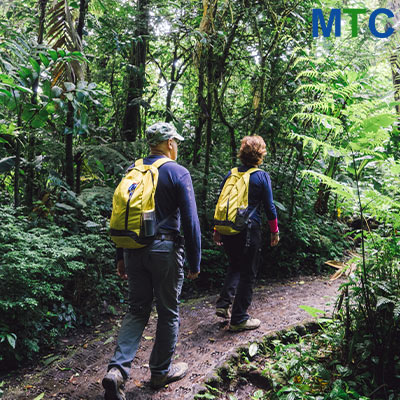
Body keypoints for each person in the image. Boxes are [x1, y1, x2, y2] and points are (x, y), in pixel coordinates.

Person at [102, 122, 201, 400]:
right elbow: (191, 221)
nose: (177, 146)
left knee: (136, 310)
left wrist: (120, 256)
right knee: (168, 311)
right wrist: (195, 260)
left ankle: (118, 371)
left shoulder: (133, 171)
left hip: (133, 250)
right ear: (169, 143)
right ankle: (159, 372)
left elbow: (121, 215)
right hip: (165, 251)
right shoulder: (177, 172)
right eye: (176, 142)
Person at [213, 135, 279, 332]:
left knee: (235, 265)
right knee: (248, 272)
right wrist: (274, 231)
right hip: (249, 230)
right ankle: (239, 318)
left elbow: (222, 203)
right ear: (260, 154)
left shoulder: (231, 174)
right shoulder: (261, 176)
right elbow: (269, 207)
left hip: (228, 228)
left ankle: (223, 304)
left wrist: (217, 230)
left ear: (242, 154)